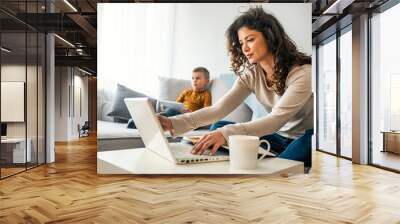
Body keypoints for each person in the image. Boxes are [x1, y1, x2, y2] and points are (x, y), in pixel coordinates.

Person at [158, 7, 313, 168]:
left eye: (250, 40)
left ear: (270, 37)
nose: (244, 48)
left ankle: (274, 161)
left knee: (290, 156)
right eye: (241, 43)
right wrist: (173, 122)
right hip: (277, 137)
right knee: (219, 127)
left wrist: (226, 134)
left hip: (305, 137)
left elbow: (275, 120)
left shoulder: (303, 73)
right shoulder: (251, 75)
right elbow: (218, 109)